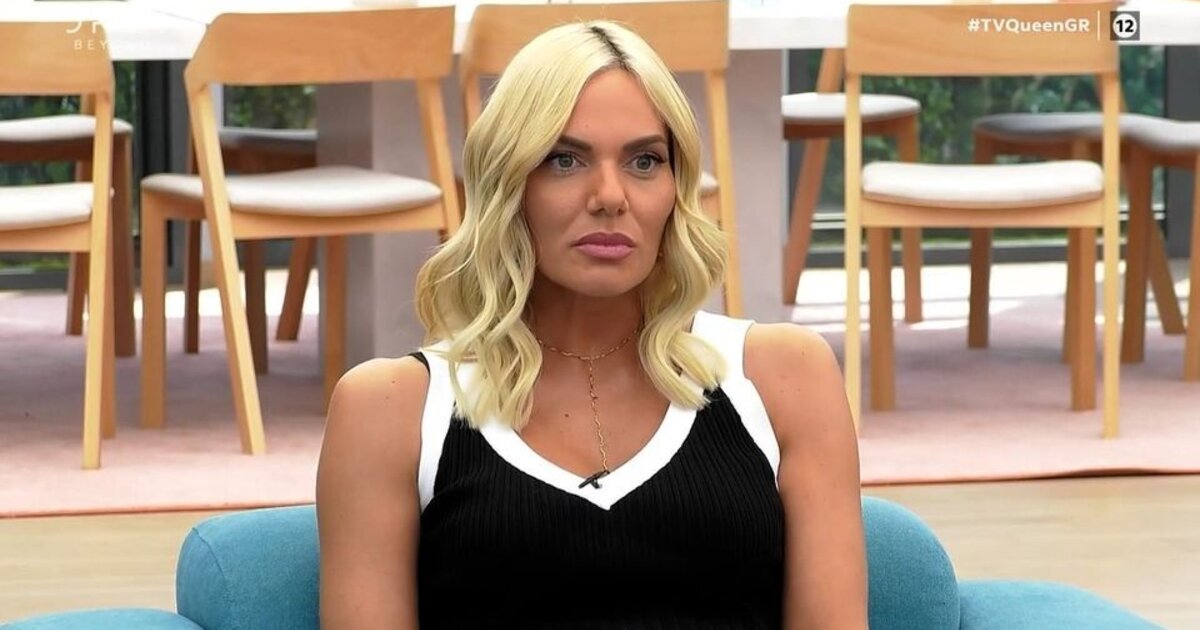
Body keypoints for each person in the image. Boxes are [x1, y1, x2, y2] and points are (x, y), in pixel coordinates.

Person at [316, 19, 866, 630]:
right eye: (565, 160)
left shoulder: (784, 376)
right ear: (508, 184)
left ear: (676, 188)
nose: (610, 195)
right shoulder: (388, 408)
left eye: (644, 161)